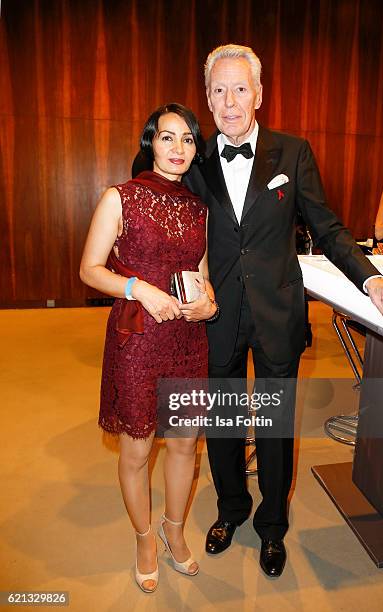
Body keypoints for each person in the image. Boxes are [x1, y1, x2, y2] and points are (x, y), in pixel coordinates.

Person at [131, 45, 383, 579]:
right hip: (215, 315)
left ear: (259, 94)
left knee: (276, 427)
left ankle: (273, 525)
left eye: (240, 89)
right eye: (218, 90)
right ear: (207, 99)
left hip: (277, 311)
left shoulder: (294, 153)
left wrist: (370, 276)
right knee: (227, 423)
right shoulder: (195, 158)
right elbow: (165, 226)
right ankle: (231, 508)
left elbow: (326, 227)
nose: (229, 102)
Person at [80, 103, 217, 593]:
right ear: (149, 143)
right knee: (137, 449)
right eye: (167, 137)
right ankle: (143, 538)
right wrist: (139, 288)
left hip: (185, 338)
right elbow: (90, 269)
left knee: (183, 444)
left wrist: (208, 306)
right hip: (137, 337)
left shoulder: (200, 209)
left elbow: (199, 275)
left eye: (187, 139)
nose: (177, 148)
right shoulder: (120, 197)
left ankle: (174, 531)